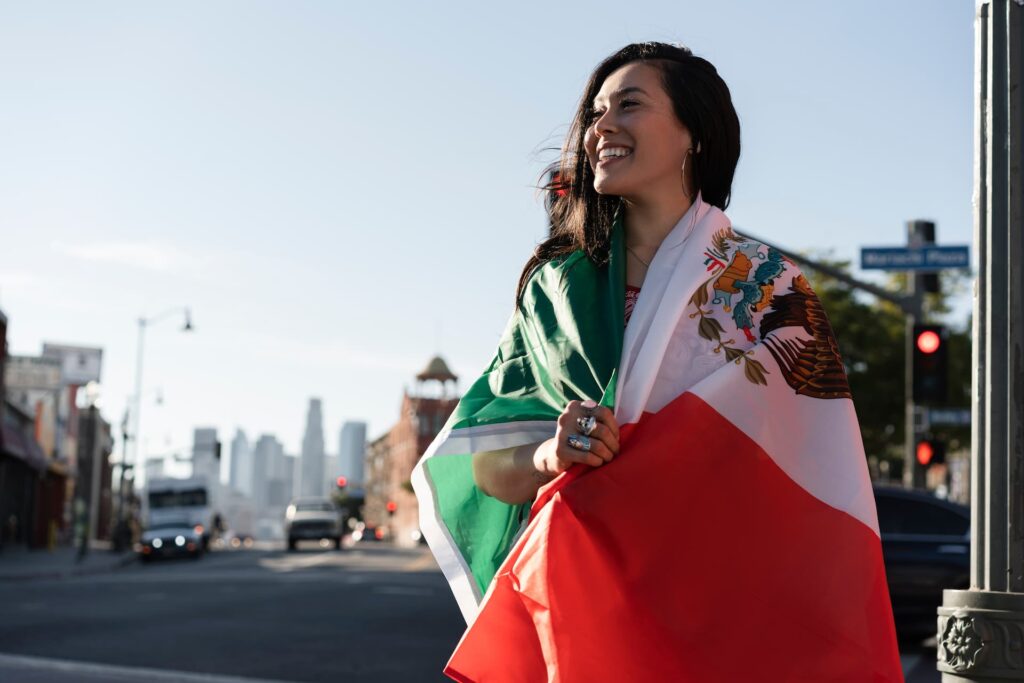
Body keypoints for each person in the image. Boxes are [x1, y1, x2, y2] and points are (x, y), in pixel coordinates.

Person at [412, 42, 903, 682]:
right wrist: (550, 455)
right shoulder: (558, 289)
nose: (601, 127)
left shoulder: (767, 288)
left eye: (630, 105)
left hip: (722, 616)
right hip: (582, 611)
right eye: (595, 112)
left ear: (693, 136)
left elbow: (817, 478)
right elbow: (485, 471)